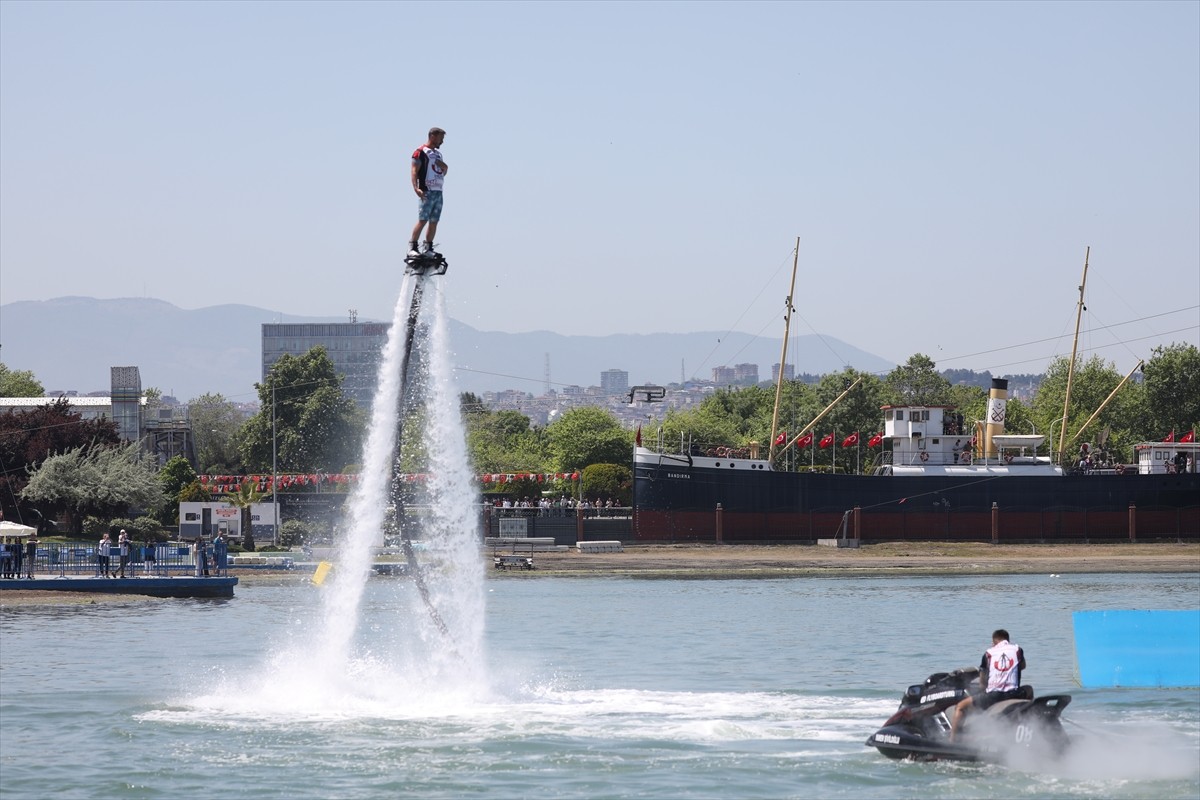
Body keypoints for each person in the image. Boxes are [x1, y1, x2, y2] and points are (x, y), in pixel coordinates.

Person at [949, 629, 1026, 741]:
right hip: (1014, 694)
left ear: (994, 642)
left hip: (995, 696)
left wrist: (983, 687)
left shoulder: (989, 653)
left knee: (960, 707)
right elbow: (1022, 666)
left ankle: (952, 741)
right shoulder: (1018, 649)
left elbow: (982, 683)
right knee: (1029, 690)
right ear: (1008, 640)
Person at [407, 127, 448, 258]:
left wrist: (444, 166)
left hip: (438, 192)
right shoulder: (420, 152)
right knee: (423, 219)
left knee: (434, 221)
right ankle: (412, 247)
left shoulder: (438, 154)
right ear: (433, 136)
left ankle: (428, 247)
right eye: (441, 138)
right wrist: (416, 188)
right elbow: (414, 171)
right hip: (426, 191)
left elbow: (443, 172)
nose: (442, 142)